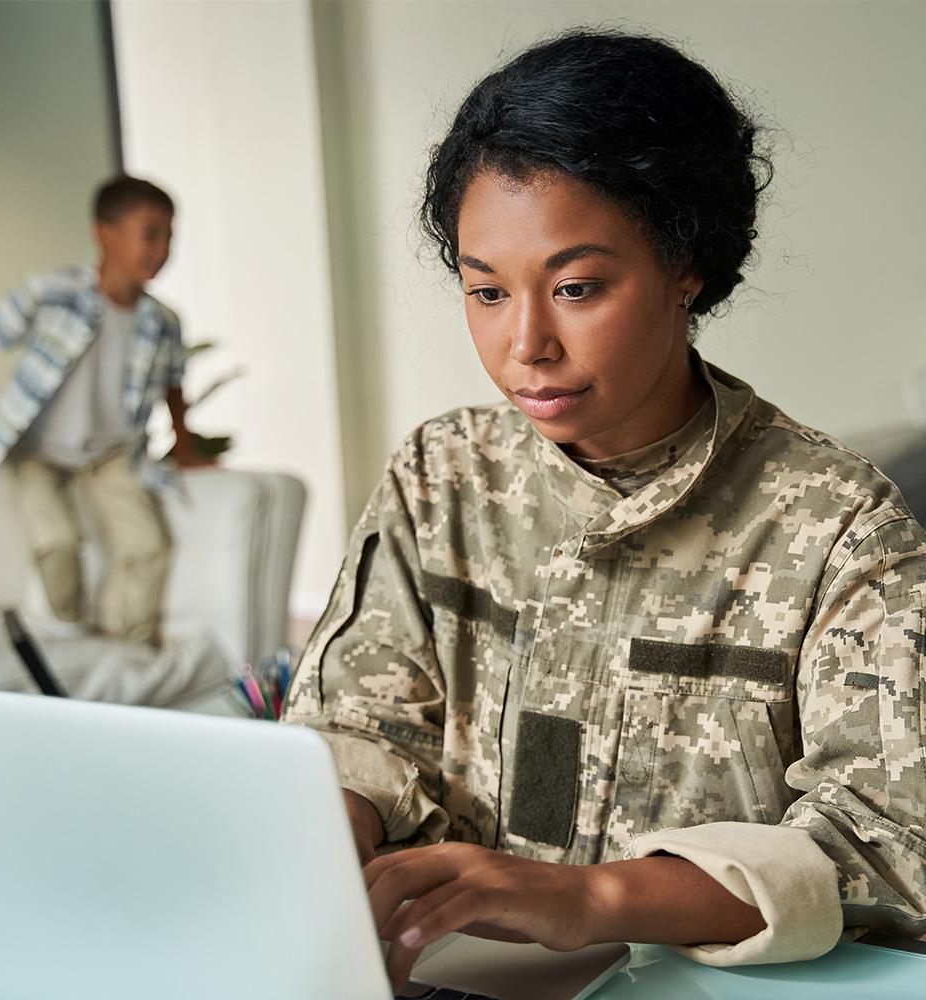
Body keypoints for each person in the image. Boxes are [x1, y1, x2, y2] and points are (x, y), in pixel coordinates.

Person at [283, 28, 926, 992]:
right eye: (486, 291)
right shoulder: (439, 475)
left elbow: (889, 846)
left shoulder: (839, 529)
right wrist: (321, 841)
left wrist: (592, 898)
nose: (525, 344)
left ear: (685, 264)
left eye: (577, 287)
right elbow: (361, 723)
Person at [0, 174, 211, 646]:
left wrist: (184, 443)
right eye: (151, 233)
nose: (162, 249)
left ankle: (127, 645)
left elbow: (173, 383)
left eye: (170, 236)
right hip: (39, 449)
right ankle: (70, 632)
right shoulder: (53, 292)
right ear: (105, 234)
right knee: (55, 541)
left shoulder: (163, 322)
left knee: (147, 546)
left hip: (112, 453)